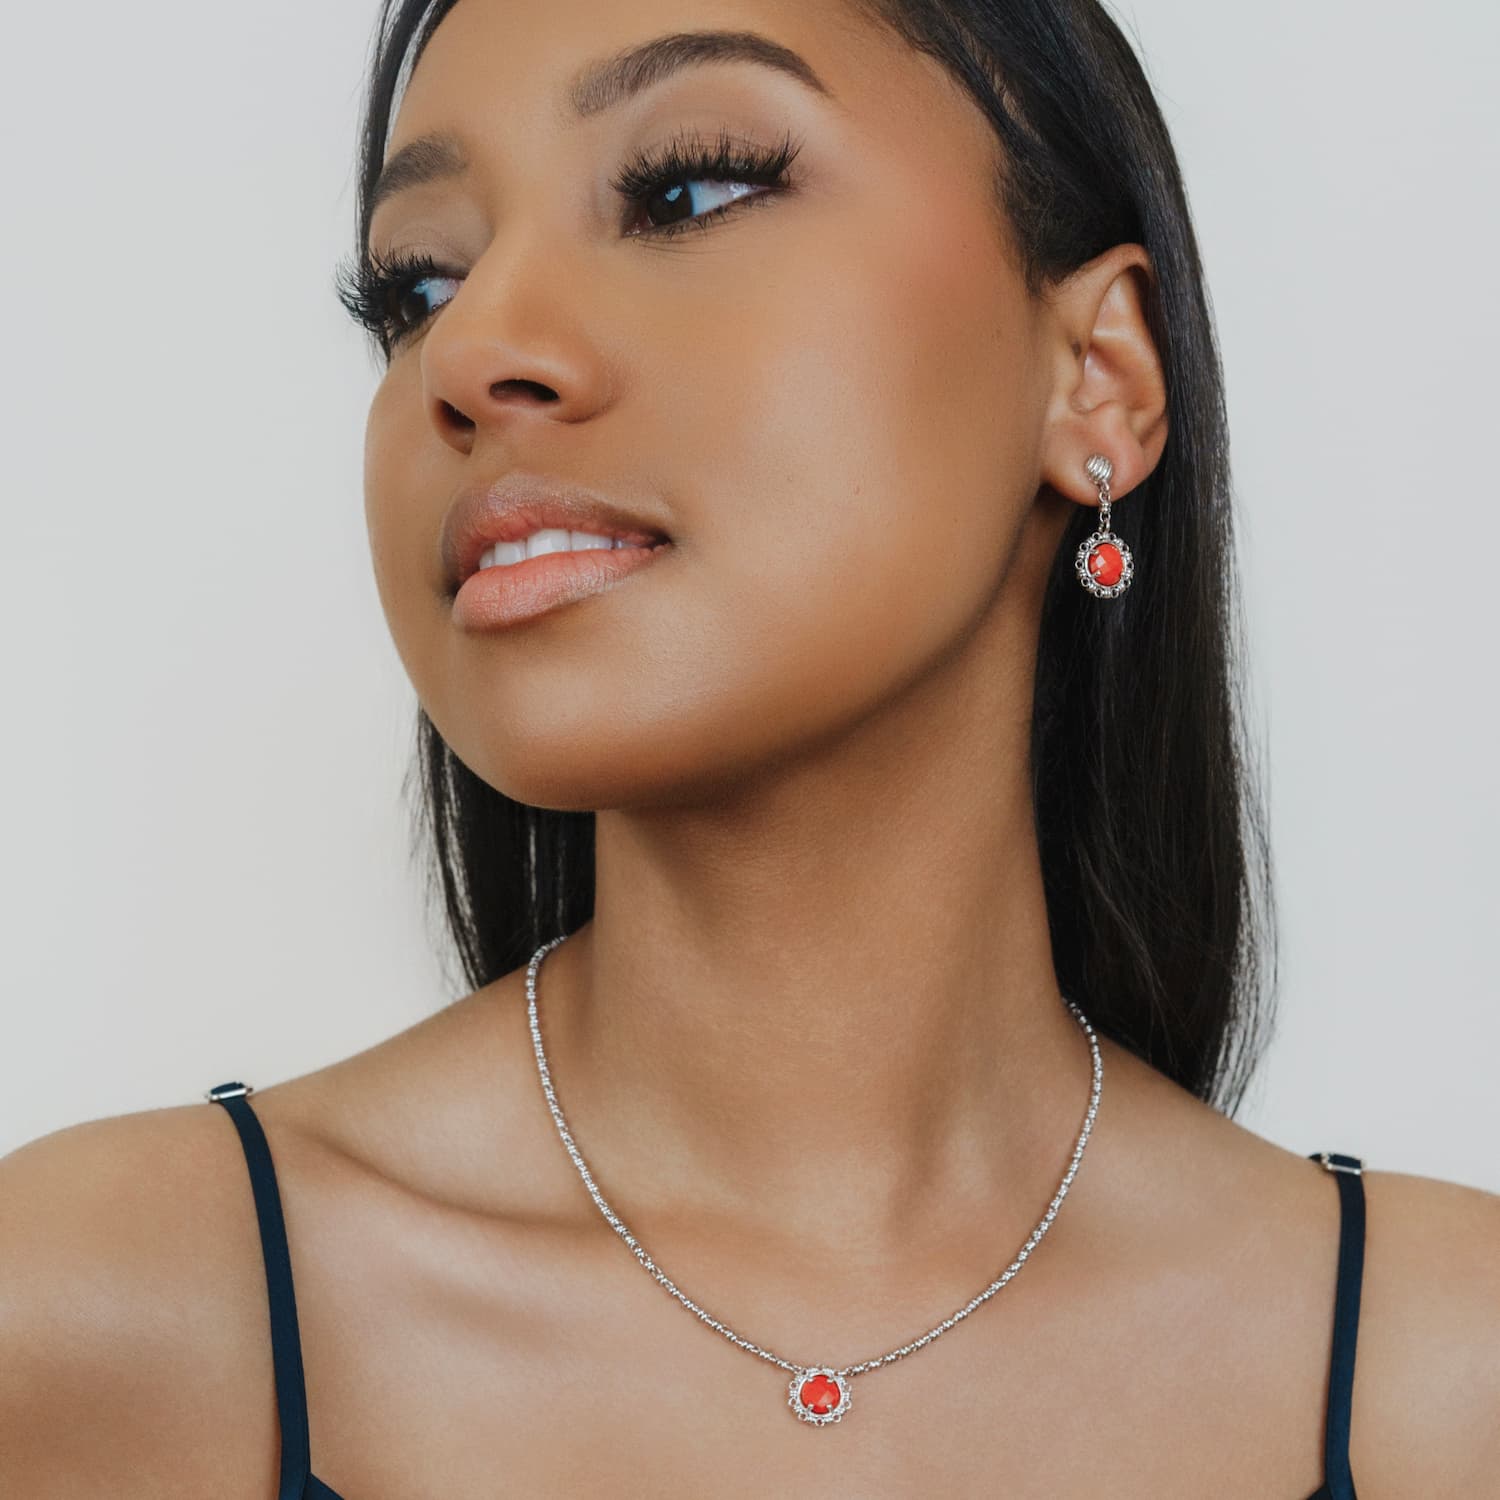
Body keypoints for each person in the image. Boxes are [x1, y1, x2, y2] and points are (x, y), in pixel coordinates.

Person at [2, 1, 1496, 1494]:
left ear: (1098, 375)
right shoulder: (103, 1319)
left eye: (689, 189)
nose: (474, 350)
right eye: (420, 285)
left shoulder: (1447, 1380)